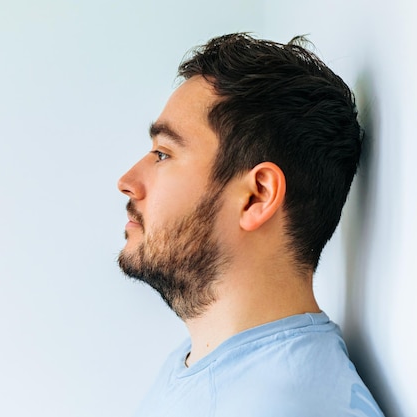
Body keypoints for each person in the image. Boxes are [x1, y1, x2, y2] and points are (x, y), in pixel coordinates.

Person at [117, 33, 383, 417]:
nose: (126, 180)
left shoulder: (292, 406)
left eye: (163, 153)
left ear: (257, 196)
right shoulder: (196, 362)